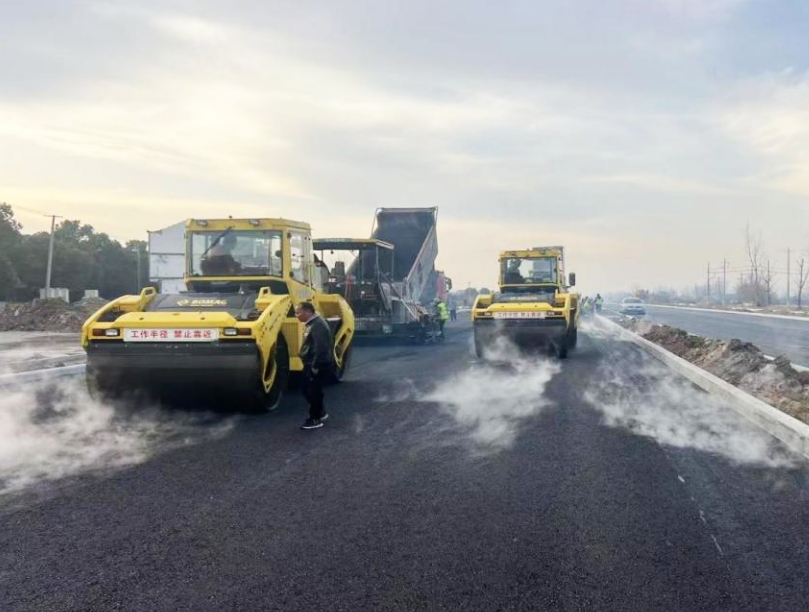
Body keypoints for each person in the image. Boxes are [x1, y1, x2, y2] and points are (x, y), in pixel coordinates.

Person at [296, 302, 334, 430]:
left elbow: (321, 347)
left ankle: (315, 418)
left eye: (298, 312)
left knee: (313, 391)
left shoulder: (318, 325)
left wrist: (315, 366)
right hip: (310, 363)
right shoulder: (312, 324)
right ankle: (321, 411)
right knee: (307, 389)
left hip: (316, 364)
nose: (296, 315)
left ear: (308, 312)